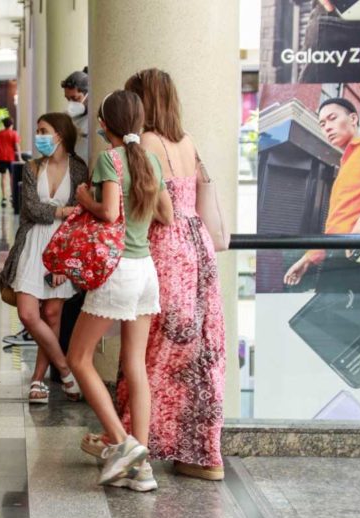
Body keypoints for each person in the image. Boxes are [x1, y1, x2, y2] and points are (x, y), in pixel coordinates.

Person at [113, 68, 228, 481]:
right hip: (200, 251)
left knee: (152, 353)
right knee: (199, 353)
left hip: (167, 248)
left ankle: (134, 446)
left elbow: (160, 209)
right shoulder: (188, 141)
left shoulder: (147, 143)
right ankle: (201, 455)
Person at [65, 90, 173, 492]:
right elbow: (167, 213)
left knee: (77, 357)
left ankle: (125, 445)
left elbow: (108, 212)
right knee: (135, 364)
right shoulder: (150, 160)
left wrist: (83, 199)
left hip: (118, 269)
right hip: (146, 270)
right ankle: (141, 468)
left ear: (105, 123)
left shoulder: (109, 159)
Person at [0, 113, 86, 405]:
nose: (39, 137)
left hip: (62, 246)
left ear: (60, 134)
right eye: (37, 131)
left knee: (51, 315)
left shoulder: (78, 168)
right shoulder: (32, 167)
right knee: (27, 314)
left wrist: (64, 259)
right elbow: (31, 210)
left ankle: (38, 380)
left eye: (44, 131)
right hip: (33, 242)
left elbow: (81, 217)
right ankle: (65, 369)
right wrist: (62, 211)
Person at [284, 97, 360, 294]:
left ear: (353, 118)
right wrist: (308, 258)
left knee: (345, 321)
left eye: (332, 118)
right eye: (322, 123)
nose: (327, 127)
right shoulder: (345, 165)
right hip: (338, 256)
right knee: (322, 321)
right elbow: (338, 223)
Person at [0, 117, 21, 208]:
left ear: (4, 124)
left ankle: (4, 197)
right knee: (12, 178)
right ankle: (12, 195)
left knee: (3, 177)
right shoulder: (14, 133)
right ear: (12, 124)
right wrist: (19, 157)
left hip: (2, 158)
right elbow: (17, 146)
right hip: (11, 158)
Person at [61, 68, 90, 162]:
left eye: (75, 98)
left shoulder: (97, 118)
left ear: (88, 94)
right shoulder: (69, 118)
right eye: (67, 99)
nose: (71, 103)